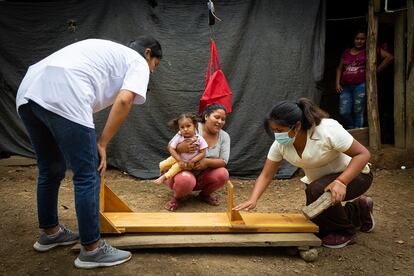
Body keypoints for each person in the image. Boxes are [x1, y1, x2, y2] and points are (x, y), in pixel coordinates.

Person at [16, 36, 162, 268]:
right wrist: (102, 143)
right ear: (147, 53)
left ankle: (51, 233)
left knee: (51, 168)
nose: (153, 71)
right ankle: (92, 250)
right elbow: (124, 101)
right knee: (88, 172)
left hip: (28, 89)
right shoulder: (137, 61)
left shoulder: (110, 54)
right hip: (65, 89)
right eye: (156, 64)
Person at [234, 98, 374, 249]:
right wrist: (253, 199)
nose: (276, 135)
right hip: (322, 186)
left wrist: (342, 181)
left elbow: (363, 154)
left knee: (315, 191)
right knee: (317, 221)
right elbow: (266, 175)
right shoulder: (280, 145)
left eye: (279, 130)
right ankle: (360, 209)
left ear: (297, 126)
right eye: (274, 130)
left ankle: (345, 231)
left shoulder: (327, 130)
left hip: (356, 176)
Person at [163, 104, 230, 211]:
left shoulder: (224, 136)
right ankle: (176, 197)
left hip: (204, 175)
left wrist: (206, 162)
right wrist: (181, 148)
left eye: (223, 119)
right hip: (183, 170)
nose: (220, 121)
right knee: (186, 180)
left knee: (223, 174)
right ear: (206, 116)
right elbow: (171, 146)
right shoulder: (191, 126)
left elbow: (224, 161)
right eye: (216, 117)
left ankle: (204, 195)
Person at [335, 29, 393, 129]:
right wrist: (337, 83)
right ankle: (351, 128)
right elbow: (339, 68)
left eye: (362, 39)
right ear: (353, 39)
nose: (359, 41)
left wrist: (376, 71)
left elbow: (389, 57)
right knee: (344, 112)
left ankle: (358, 132)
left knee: (358, 111)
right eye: (357, 38)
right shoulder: (346, 52)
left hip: (360, 85)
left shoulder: (369, 51)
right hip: (346, 87)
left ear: (366, 40)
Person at [153, 113, 208, 184]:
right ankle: (162, 172)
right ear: (179, 128)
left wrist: (193, 160)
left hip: (187, 162)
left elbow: (203, 153)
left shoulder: (200, 139)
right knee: (163, 165)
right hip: (176, 157)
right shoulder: (179, 137)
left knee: (176, 168)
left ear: (194, 125)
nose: (185, 129)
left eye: (188, 126)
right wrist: (178, 159)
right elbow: (171, 148)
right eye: (182, 127)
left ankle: (164, 177)